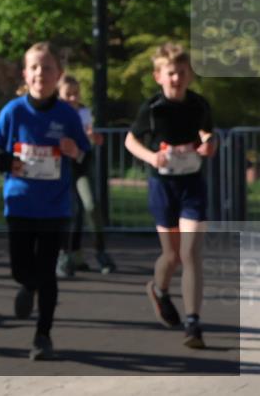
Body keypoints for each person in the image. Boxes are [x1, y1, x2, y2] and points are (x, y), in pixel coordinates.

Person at [0, 42, 90, 360]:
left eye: (47, 68)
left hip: (54, 207)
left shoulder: (67, 115)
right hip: (19, 202)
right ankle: (26, 285)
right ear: (25, 73)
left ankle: (43, 335)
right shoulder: (13, 111)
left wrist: (76, 152)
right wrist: (8, 162)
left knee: (47, 272)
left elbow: (86, 157)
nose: (40, 73)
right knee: (21, 268)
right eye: (34, 67)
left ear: (58, 74)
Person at [125, 42, 216, 348]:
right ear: (158, 76)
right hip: (163, 187)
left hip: (192, 185)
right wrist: (152, 157)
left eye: (182, 72)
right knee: (172, 256)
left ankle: (193, 323)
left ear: (190, 75)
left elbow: (207, 133)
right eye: (171, 73)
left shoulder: (199, 105)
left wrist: (209, 144)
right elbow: (130, 141)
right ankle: (159, 289)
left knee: (191, 254)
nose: (176, 78)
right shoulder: (152, 108)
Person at [56, 75, 116, 276]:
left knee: (90, 205)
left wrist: (92, 138)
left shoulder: (83, 113)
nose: (73, 98)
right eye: (68, 94)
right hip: (60, 166)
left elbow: (88, 139)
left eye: (76, 94)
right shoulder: (54, 113)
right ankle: (67, 254)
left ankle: (100, 251)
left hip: (81, 164)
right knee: (69, 211)